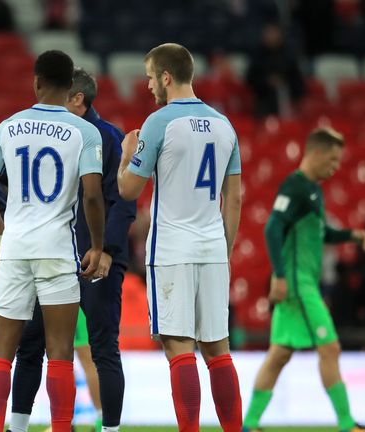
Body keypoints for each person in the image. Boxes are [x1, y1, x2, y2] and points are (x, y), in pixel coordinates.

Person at [0, 50, 105, 432]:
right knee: (61, 353)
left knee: (2, 352)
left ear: (36, 82)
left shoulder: (8, 126)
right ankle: (62, 428)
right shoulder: (85, 131)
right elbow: (93, 195)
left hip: (14, 250)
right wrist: (97, 246)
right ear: (70, 88)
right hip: (57, 251)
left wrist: (2, 233)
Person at [117, 43, 243, 432]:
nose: (149, 83)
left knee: (179, 347)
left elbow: (128, 190)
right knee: (218, 351)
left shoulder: (159, 122)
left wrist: (125, 155)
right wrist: (224, 250)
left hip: (172, 247)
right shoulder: (224, 124)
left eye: (151, 76)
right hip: (212, 246)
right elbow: (234, 196)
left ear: (166, 77)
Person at [7, 67, 137, 432]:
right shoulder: (55, 137)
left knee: (102, 348)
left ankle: (109, 429)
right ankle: (18, 426)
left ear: (77, 99)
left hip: (96, 261)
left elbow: (123, 202)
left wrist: (107, 250)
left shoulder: (108, 139)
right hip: (51, 255)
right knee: (31, 344)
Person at [242, 128, 365, 432]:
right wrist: (279, 277)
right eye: (332, 160)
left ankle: (250, 424)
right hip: (297, 285)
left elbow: (321, 233)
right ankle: (348, 425)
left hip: (301, 282)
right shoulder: (294, 187)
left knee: (279, 354)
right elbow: (271, 229)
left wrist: (351, 235)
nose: (335, 167)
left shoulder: (312, 190)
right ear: (316, 153)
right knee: (329, 348)